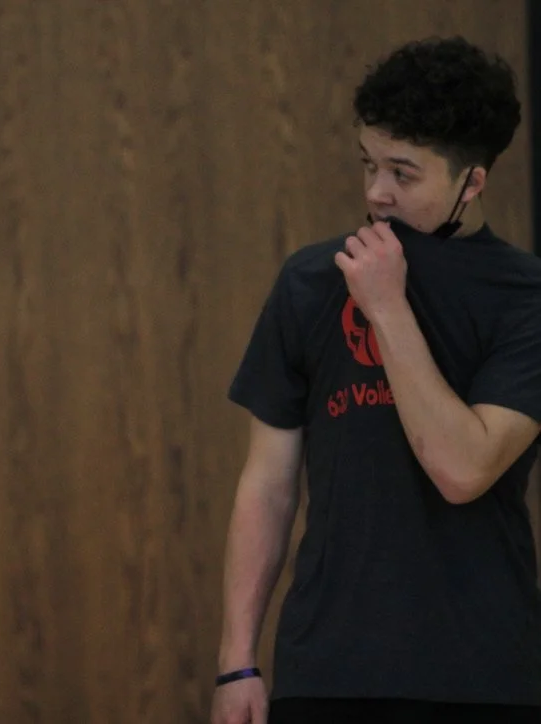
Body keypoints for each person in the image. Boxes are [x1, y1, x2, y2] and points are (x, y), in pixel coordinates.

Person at [211, 36, 541, 724]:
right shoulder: (309, 281)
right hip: (325, 672)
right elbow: (267, 484)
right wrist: (237, 661)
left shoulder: (526, 299)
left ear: (472, 181)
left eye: (403, 172)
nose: (375, 192)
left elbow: (462, 467)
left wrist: (387, 306)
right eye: (368, 163)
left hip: (479, 673)